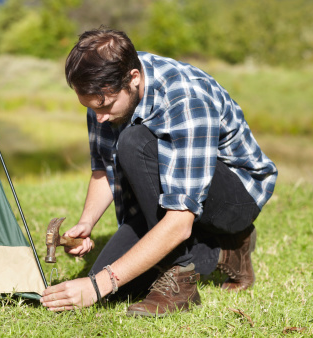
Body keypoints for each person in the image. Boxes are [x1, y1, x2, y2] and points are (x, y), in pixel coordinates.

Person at [40, 28, 277, 317]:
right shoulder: (103, 94)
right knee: (115, 288)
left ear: (133, 78)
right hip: (173, 194)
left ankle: (183, 277)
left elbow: (178, 222)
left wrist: (97, 286)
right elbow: (103, 168)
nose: (98, 116)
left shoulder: (186, 100)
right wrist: (87, 222)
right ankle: (226, 251)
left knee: (134, 142)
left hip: (234, 196)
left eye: (104, 106)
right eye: (90, 107)